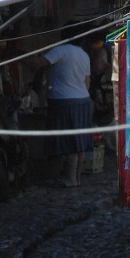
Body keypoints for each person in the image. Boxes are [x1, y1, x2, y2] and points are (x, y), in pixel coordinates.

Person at [37, 23, 93, 188]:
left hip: (64, 101)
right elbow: (87, 81)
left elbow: (40, 62)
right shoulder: (84, 54)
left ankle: (70, 178)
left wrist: (22, 57)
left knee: (69, 141)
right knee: (80, 142)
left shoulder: (61, 50)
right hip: (83, 100)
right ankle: (77, 177)